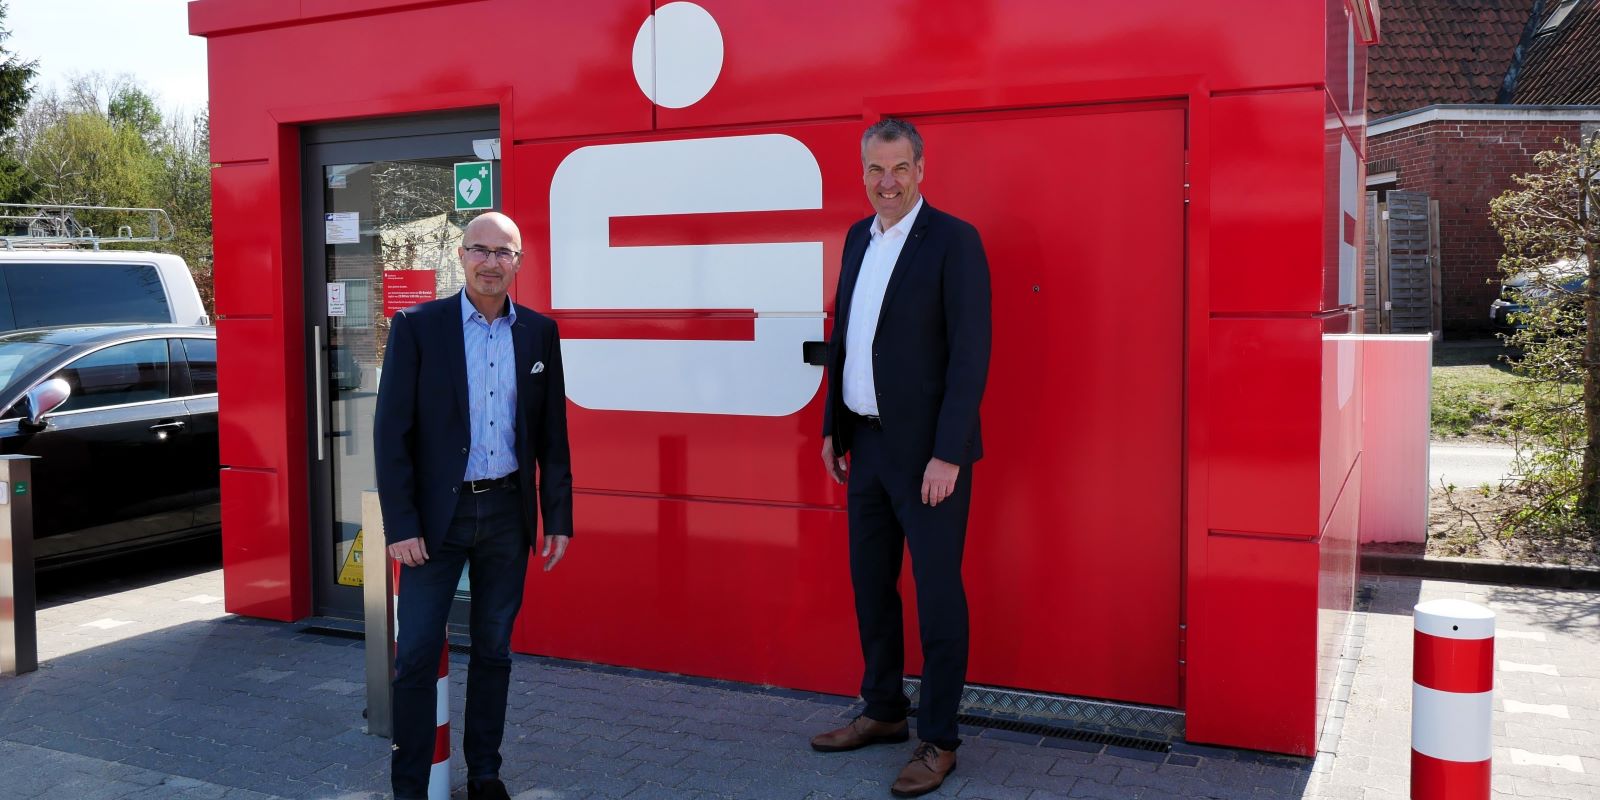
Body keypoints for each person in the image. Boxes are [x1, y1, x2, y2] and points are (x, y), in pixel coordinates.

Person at [811, 118, 992, 798]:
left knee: (938, 595)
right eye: (875, 171)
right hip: (868, 444)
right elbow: (849, 338)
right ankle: (885, 710)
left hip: (929, 459)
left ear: (921, 169)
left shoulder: (953, 241)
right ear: (862, 173)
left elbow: (970, 356)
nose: (887, 183)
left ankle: (939, 739)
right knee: (871, 586)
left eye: (899, 169)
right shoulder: (859, 237)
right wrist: (834, 426)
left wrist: (948, 453)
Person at [375, 212, 574, 800]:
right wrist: (401, 524)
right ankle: (410, 785)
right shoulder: (417, 326)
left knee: (494, 649)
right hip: (437, 522)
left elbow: (552, 433)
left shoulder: (539, 333)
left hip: (507, 515)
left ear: (519, 262)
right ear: (460, 257)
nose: (491, 262)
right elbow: (392, 436)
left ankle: (485, 773)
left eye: (503, 253)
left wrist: (557, 516)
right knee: (414, 654)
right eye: (480, 250)